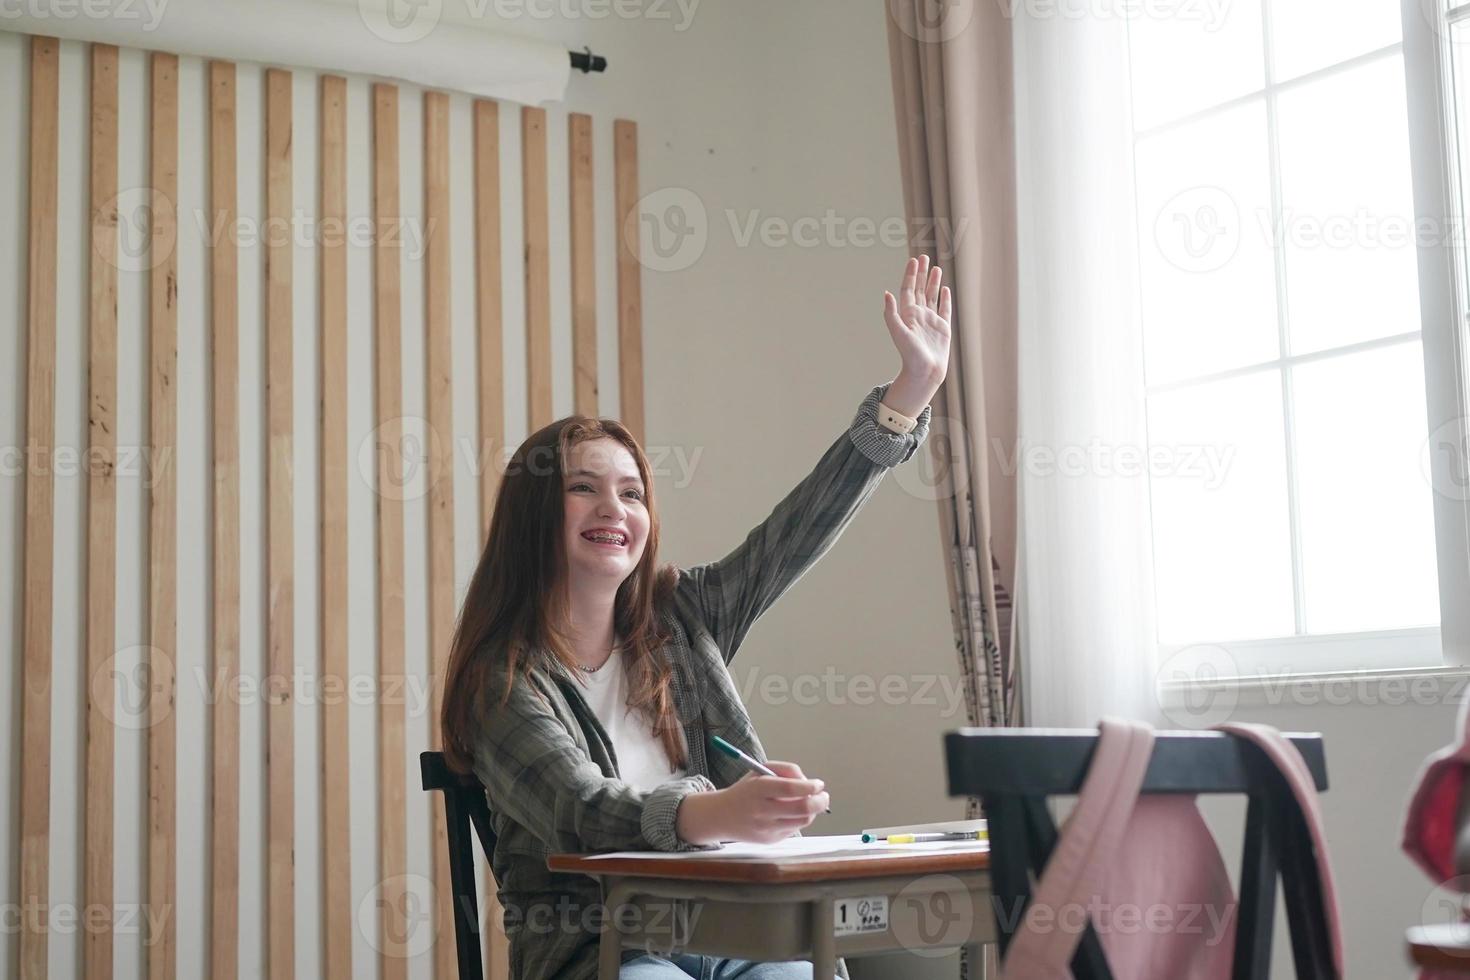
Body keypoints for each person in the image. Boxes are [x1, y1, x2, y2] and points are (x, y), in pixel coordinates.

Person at [439, 256, 952, 979]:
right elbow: (579, 812)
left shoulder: (683, 614)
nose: (614, 509)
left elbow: (795, 533)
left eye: (631, 492)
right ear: (534, 516)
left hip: (733, 923)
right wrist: (716, 811)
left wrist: (908, 395)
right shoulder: (501, 679)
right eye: (585, 489)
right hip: (598, 946)